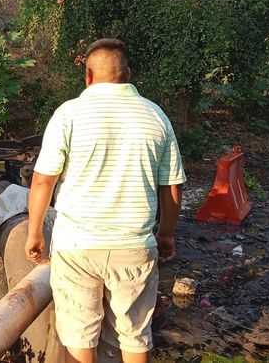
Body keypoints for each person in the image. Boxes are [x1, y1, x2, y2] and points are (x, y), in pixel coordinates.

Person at [25, 38, 186, 363]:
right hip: (134, 245)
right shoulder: (156, 116)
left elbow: (43, 179)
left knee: (78, 336)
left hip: (76, 247)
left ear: (88, 75)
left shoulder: (68, 114)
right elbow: (172, 186)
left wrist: (34, 232)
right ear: (127, 73)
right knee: (134, 337)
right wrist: (166, 233)